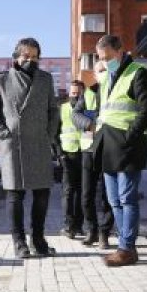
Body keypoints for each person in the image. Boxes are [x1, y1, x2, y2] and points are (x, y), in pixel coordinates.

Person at [0, 37, 60, 259]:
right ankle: (19, 243)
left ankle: (38, 240)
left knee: (42, 193)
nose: (30, 60)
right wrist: (3, 134)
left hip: (39, 143)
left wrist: (49, 134)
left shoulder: (45, 79)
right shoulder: (2, 79)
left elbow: (53, 111)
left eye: (35, 56)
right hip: (14, 145)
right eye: (26, 56)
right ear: (16, 57)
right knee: (15, 195)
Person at [93, 34, 147, 267]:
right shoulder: (108, 78)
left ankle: (126, 248)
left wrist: (131, 136)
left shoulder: (139, 73)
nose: (105, 61)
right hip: (108, 144)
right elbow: (106, 111)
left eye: (108, 57)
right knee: (114, 200)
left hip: (127, 144)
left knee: (127, 198)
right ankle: (125, 244)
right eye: (101, 58)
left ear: (121, 51)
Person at [71, 63, 115, 249]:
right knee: (87, 194)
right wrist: (90, 125)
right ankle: (92, 230)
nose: (103, 74)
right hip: (89, 150)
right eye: (100, 71)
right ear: (95, 75)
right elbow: (75, 115)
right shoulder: (87, 94)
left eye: (106, 70)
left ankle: (105, 232)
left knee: (108, 195)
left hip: (109, 150)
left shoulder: (115, 91)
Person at [56, 80, 86, 239]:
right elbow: (54, 134)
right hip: (67, 155)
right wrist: (60, 154)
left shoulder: (88, 108)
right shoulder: (62, 109)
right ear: (69, 94)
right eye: (73, 93)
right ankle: (68, 226)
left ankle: (79, 226)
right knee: (68, 192)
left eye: (79, 93)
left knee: (82, 192)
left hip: (84, 154)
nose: (76, 96)